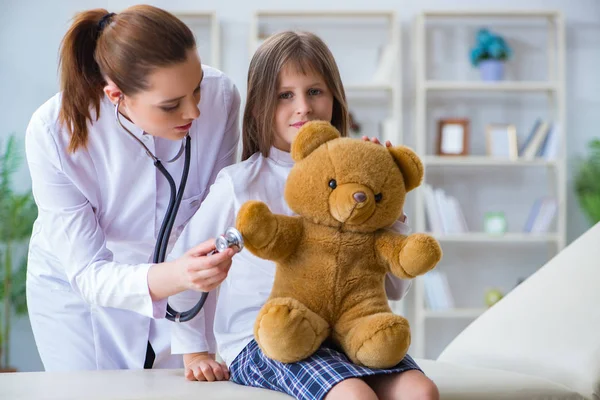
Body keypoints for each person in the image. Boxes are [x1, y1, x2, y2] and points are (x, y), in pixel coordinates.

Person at [168, 31, 439, 400]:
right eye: (285, 95)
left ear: (334, 98)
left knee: (421, 391)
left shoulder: (356, 183)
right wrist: (195, 351)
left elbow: (393, 289)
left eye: (315, 91)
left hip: (345, 331)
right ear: (261, 104)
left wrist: (385, 201)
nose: (303, 107)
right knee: (354, 395)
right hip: (268, 336)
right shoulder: (240, 183)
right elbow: (184, 263)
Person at [24, 5, 239, 371]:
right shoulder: (52, 134)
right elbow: (89, 272)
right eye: (171, 105)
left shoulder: (221, 99)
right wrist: (178, 274)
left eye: (197, 88)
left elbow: (212, 214)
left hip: (182, 279)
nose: (194, 113)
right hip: (79, 295)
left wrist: (190, 309)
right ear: (116, 95)